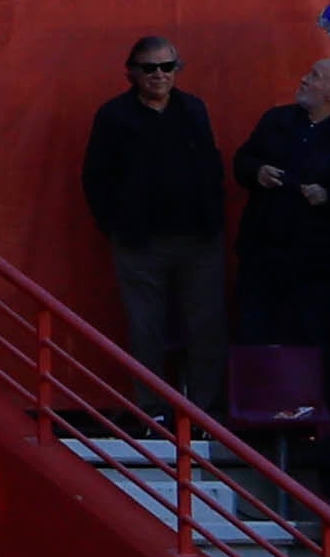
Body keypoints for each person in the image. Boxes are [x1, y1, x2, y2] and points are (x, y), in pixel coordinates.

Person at [82, 37, 228, 407]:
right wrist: (116, 227)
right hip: (140, 243)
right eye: (150, 68)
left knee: (205, 329)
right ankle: (152, 415)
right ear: (132, 72)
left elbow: (211, 165)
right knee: (145, 331)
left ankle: (204, 415)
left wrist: (213, 217)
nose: (159, 75)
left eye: (168, 67)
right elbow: (95, 177)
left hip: (198, 239)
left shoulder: (194, 109)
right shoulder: (113, 116)